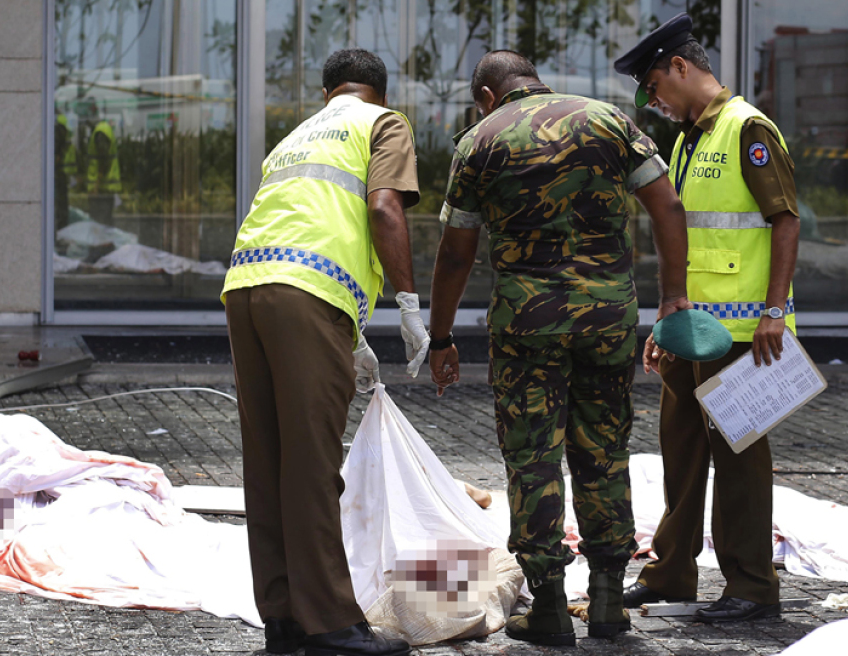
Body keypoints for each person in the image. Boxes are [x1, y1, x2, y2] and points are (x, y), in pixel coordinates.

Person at [427, 51, 690, 646]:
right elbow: (667, 207)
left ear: (488, 97)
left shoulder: (480, 140)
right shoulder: (610, 121)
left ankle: (547, 608)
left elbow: (455, 253)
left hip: (528, 327)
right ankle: (606, 602)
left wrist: (441, 337)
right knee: (605, 450)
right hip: (608, 320)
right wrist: (673, 296)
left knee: (533, 460)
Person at [222, 48, 428, 656]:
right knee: (312, 461)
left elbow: (306, 225)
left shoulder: (296, 135)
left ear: (328, 93)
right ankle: (332, 623)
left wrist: (353, 331)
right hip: (304, 298)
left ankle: (283, 615)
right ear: (379, 94)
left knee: (270, 458)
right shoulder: (383, 124)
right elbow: (384, 208)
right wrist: (409, 304)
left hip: (246, 290)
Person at [614, 13, 800, 622]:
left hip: (747, 334)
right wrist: (667, 324)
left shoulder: (748, 128)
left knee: (740, 459)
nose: (655, 102)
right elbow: (690, 241)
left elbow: (785, 221)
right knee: (682, 449)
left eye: (655, 87)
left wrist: (774, 310)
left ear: (680, 67)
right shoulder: (691, 136)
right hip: (694, 331)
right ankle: (671, 574)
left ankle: (752, 587)